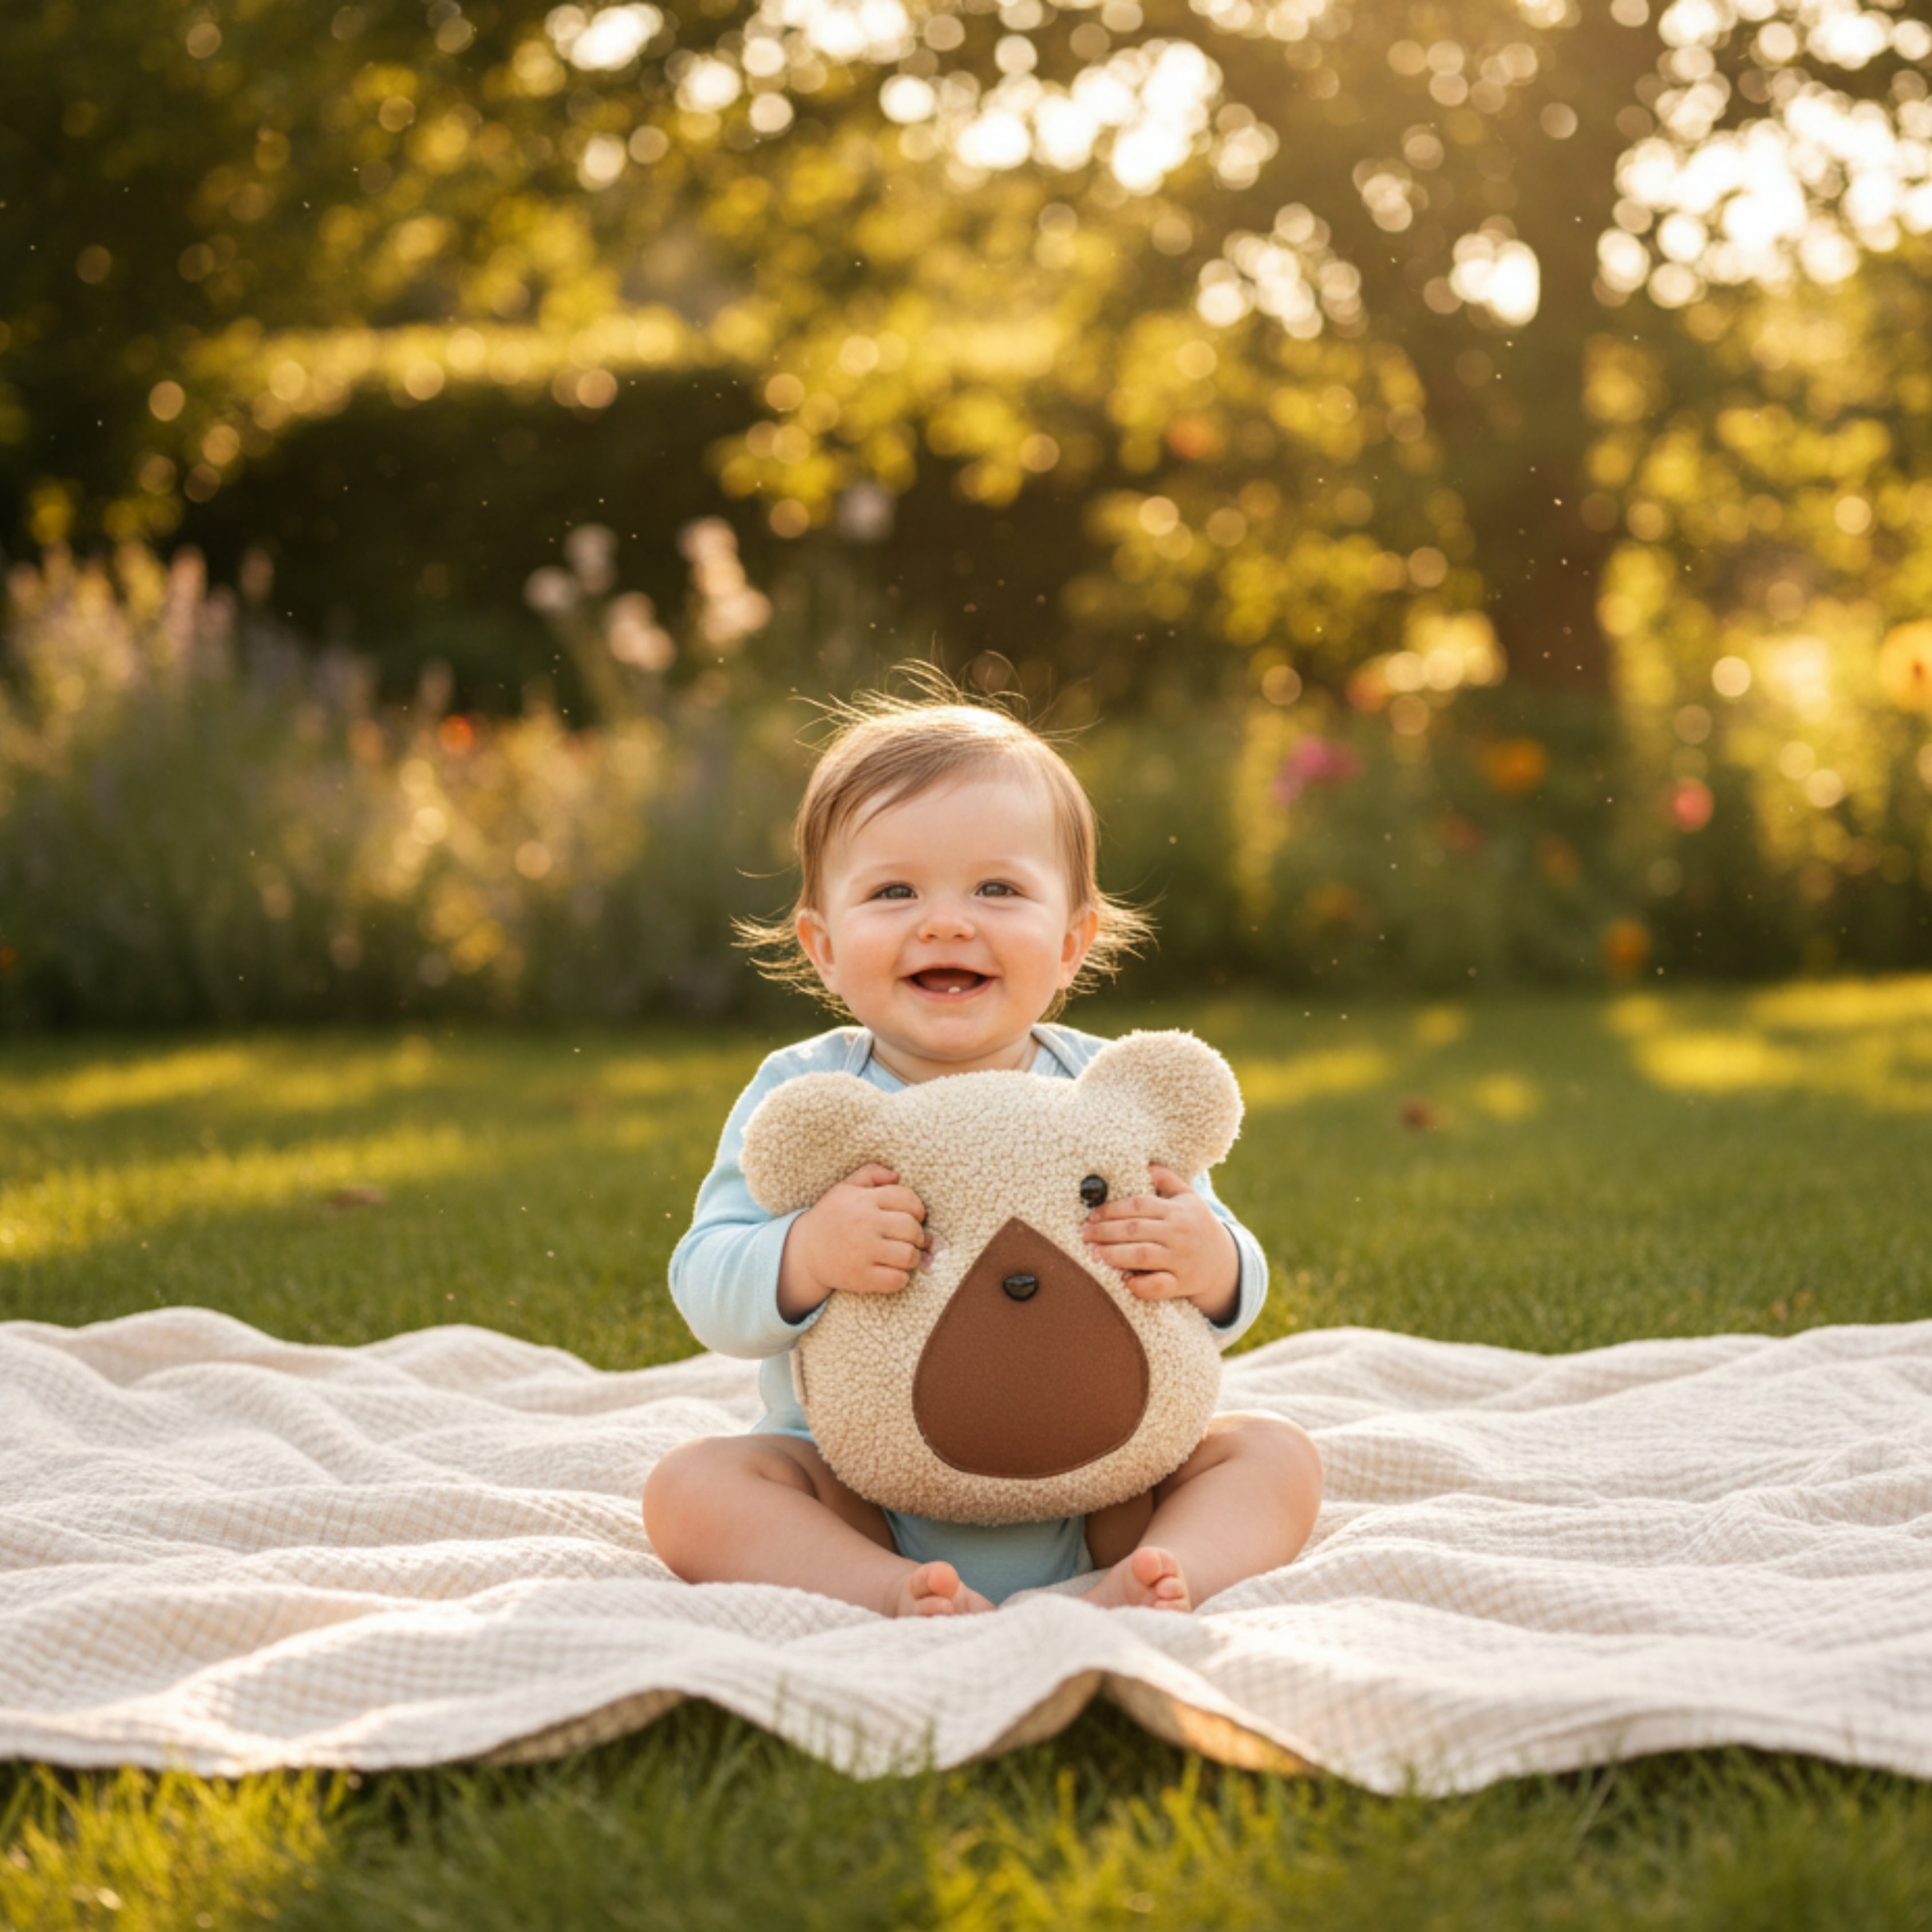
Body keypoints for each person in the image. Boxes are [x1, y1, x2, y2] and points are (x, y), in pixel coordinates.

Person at [643, 690, 1322, 1618]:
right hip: (862, 1491)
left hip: (1106, 1487)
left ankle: (1168, 1570)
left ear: (1072, 942)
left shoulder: (1105, 1092)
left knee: (1273, 1453)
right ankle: (885, 1588)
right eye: (895, 892)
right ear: (825, 947)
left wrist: (1207, 1260)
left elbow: (1221, 1278)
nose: (948, 923)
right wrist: (806, 1252)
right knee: (691, 1489)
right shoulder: (806, 1096)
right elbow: (706, 1284)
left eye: (997, 890)